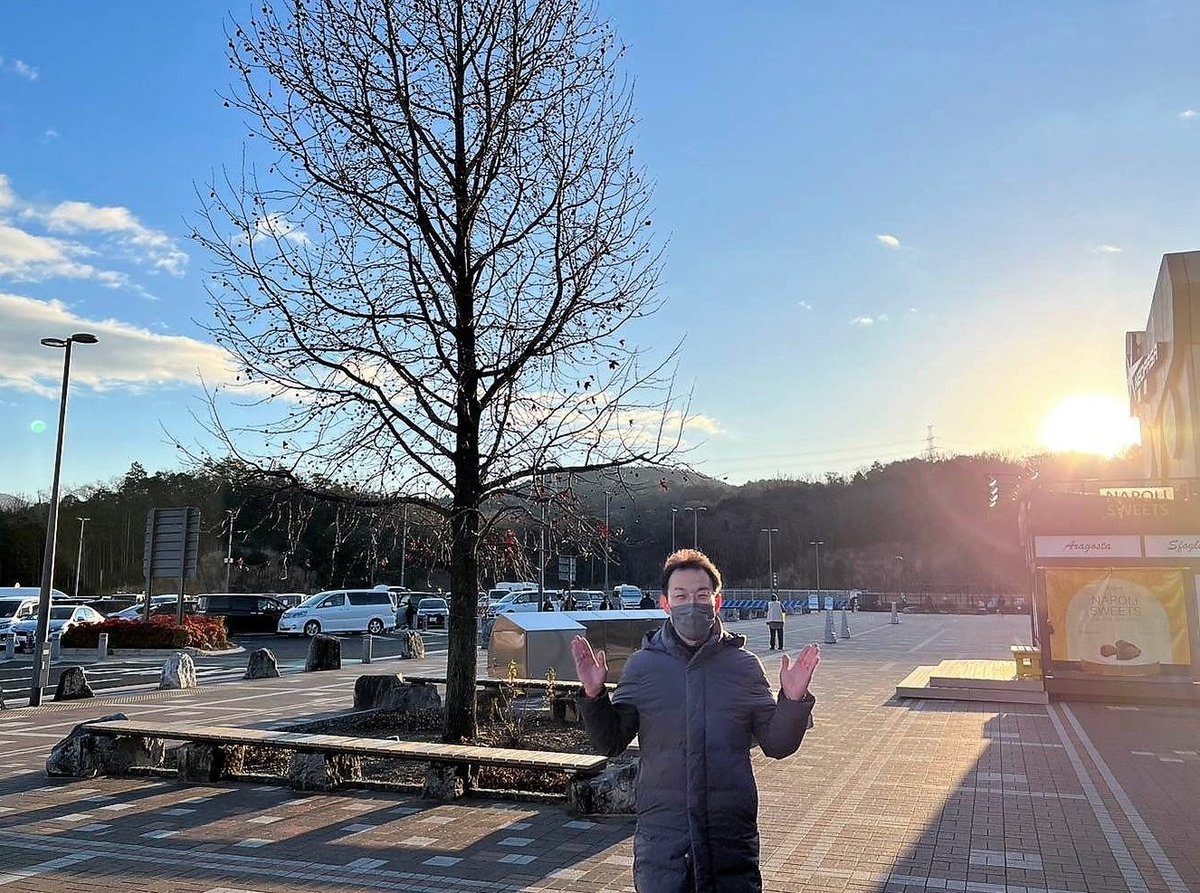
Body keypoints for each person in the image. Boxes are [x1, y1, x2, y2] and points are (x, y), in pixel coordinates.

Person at [572, 549, 819, 892]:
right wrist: (594, 695)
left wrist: (791, 701)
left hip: (729, 841)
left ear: (717, 603)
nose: (692, 604)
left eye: (702, 595)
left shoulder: (744, 667)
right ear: (666, 604)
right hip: (663, 843)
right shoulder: (643, 666)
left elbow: (778, 744)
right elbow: (610, 742)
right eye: (681, 596)